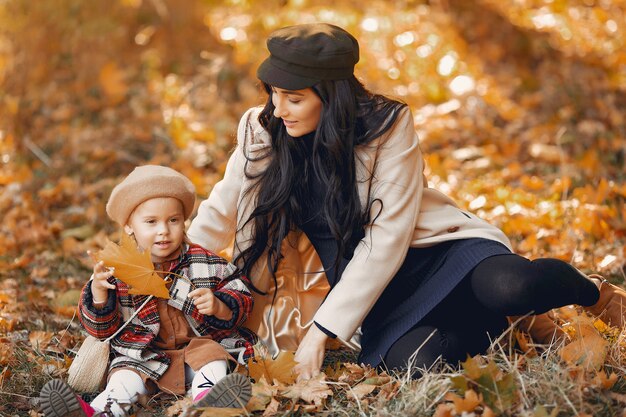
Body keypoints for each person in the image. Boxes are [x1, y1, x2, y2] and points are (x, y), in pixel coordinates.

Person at [188, 22, 625, 380]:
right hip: (373, 294)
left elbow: (387, 239)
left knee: (516, 286)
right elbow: (222, 208)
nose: (279, 108)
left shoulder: (387, 126)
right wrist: (172, 267)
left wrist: (320, 334)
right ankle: (507, 324)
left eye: (294, 98)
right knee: (414, 364)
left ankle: (593, 293)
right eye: (273, 94)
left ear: (332, 95)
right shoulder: (262, 129)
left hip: (432, 254)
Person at [39, 165, 256, 417]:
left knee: (213, 359)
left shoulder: (204, 262)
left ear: (183, 221)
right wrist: (99, 294)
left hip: (196, 349)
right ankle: (100, 411)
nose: (163, 230)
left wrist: (220, 304)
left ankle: (209, 403)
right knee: (124, 378)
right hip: (143, 355)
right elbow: (102, 331)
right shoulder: (118, 271)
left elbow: (241, 293)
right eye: (151, 222)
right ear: (130, 226)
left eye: (173, 220)